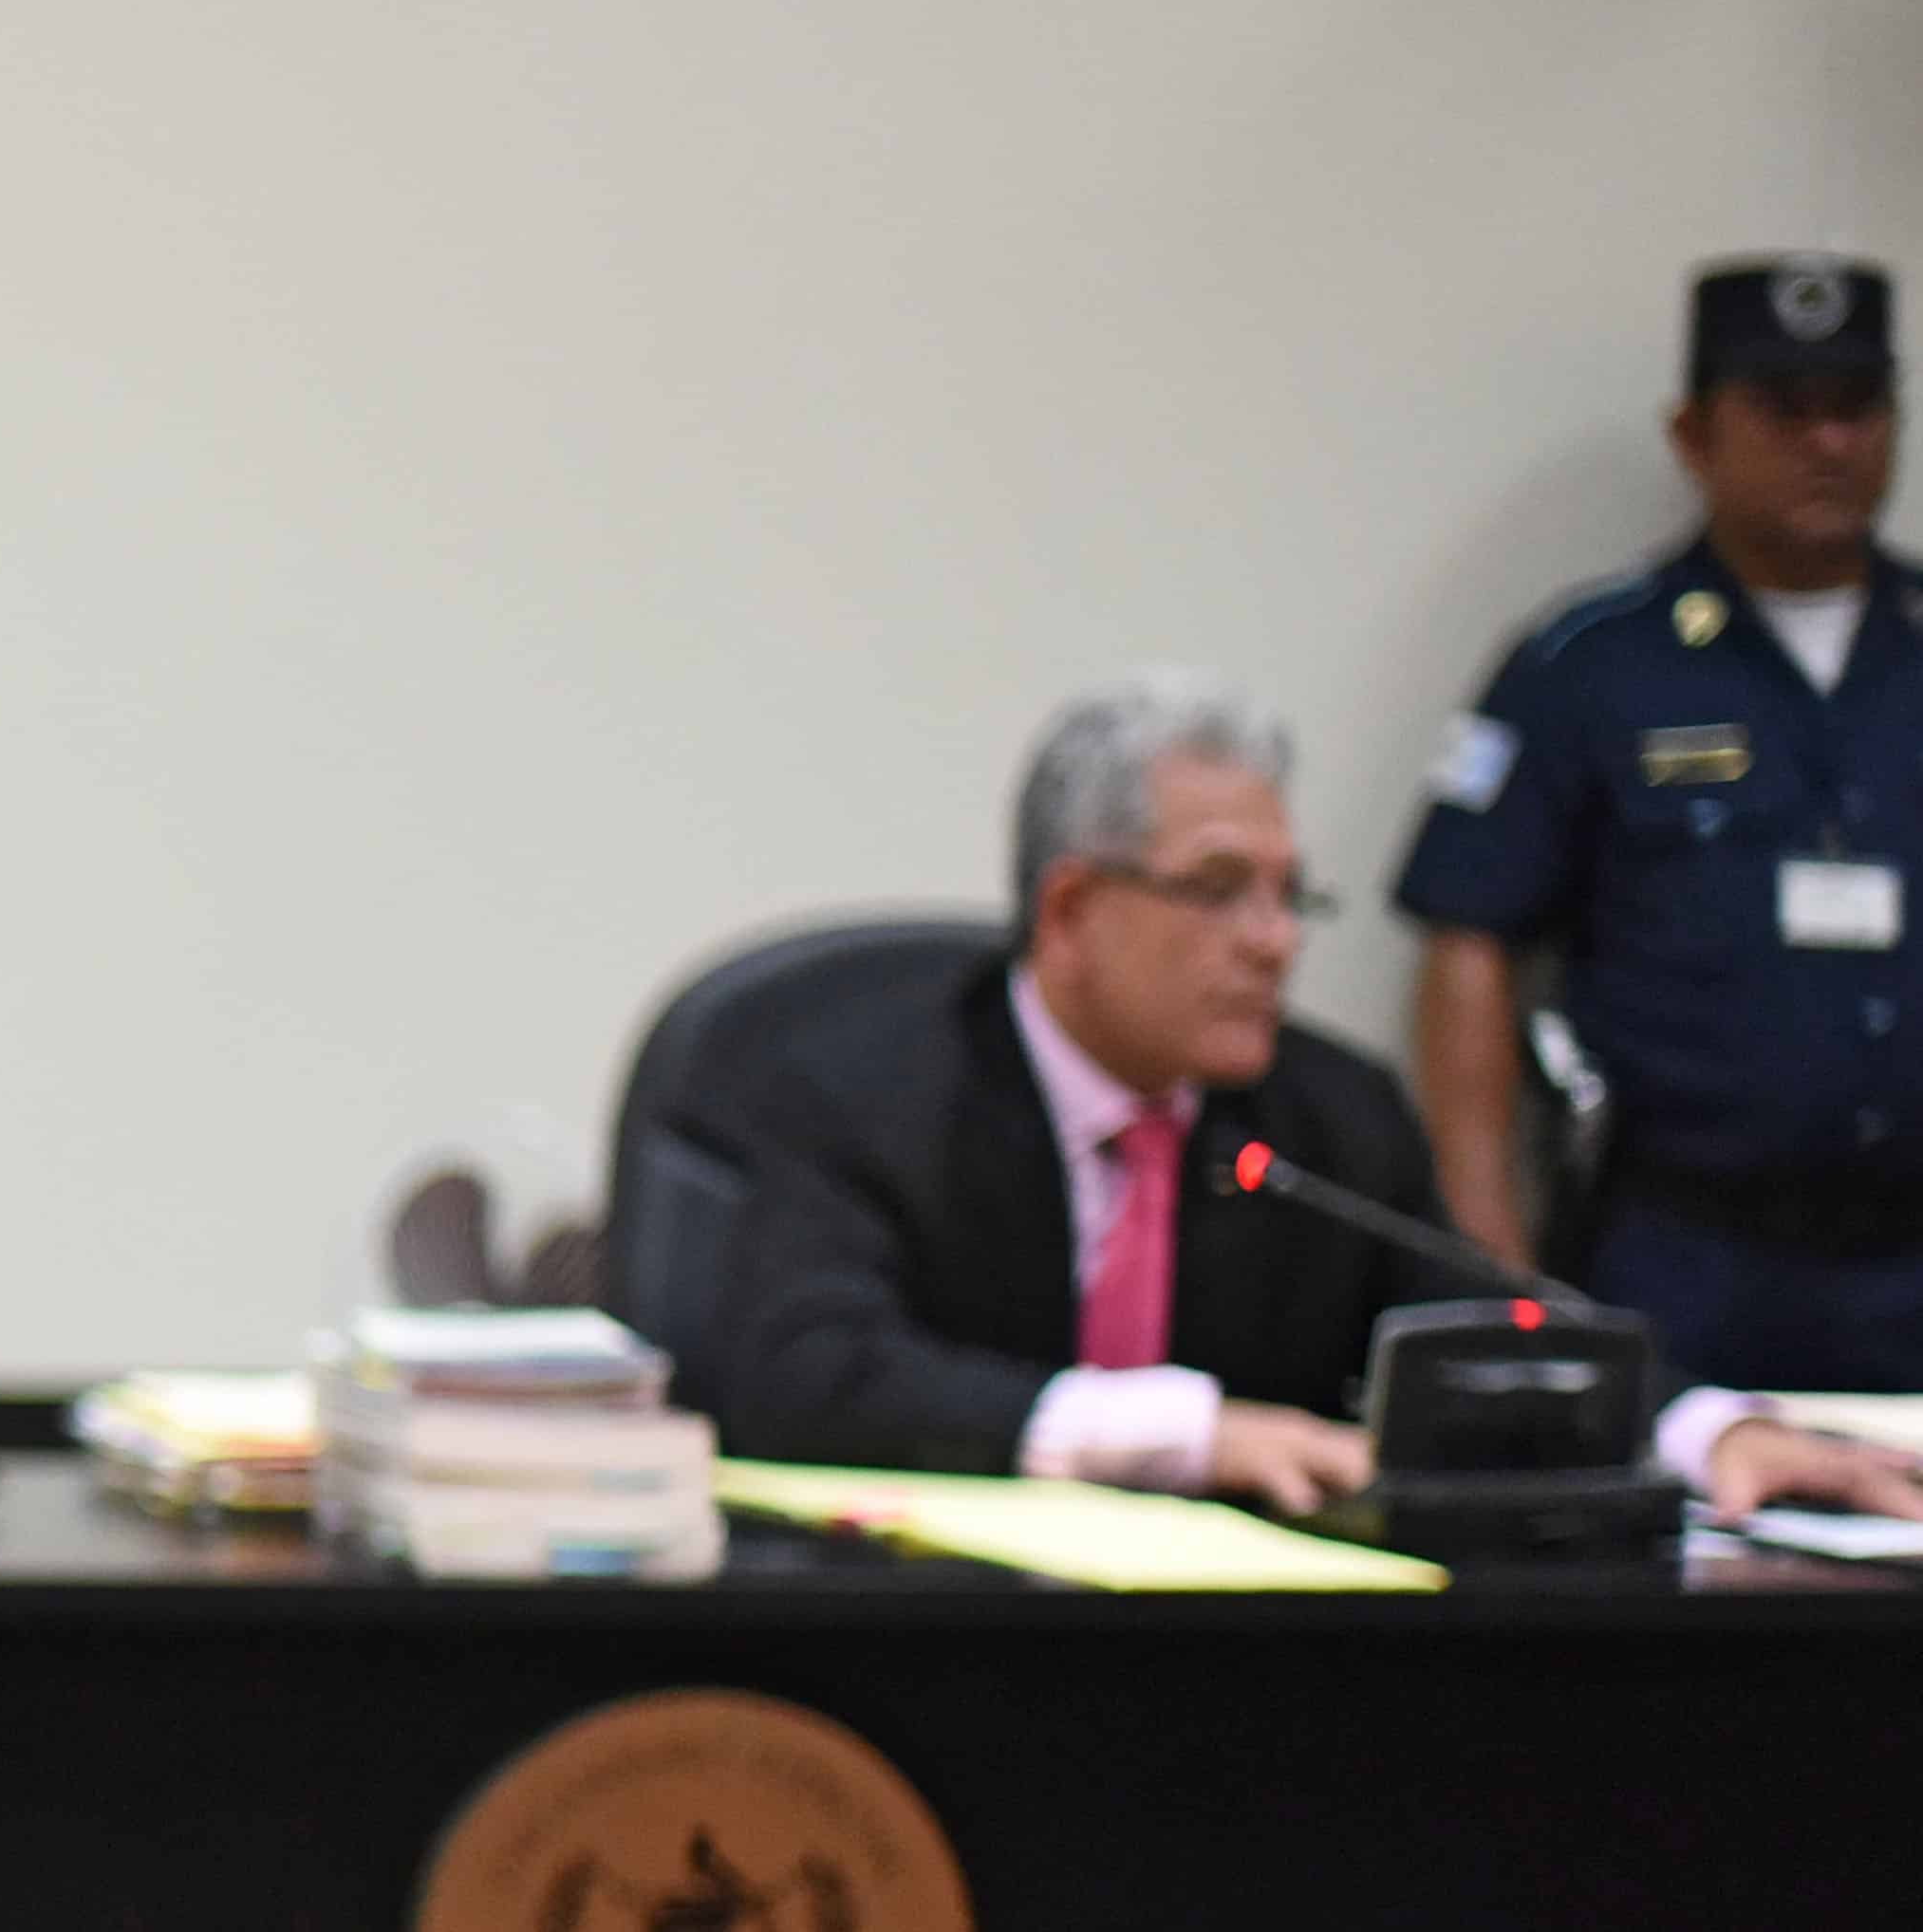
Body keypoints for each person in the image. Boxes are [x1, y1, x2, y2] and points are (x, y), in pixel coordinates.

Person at [719, 674, 1923, 1519]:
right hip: (929, 1645)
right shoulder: (860, 1093)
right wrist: (1186, 1434)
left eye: (1290, 896)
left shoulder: (1325, 1121)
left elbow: (1495, 1328)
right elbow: (803, 1374)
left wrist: (1713, 1432)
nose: (1273, 942)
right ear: (1072, 912)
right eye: (1221, 889)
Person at [1399, 254, 1923, 1384]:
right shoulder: (1589, 666)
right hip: (1686, 1254)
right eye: (1785, 410)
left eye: (1858, 408)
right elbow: (1468, 938)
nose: (1828, 443)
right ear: (1693, 433)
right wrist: (1489, 1260)